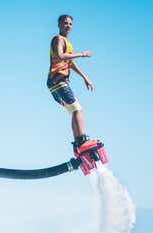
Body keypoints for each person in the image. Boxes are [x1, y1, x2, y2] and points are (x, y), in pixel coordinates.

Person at [47, 14, 94, 153]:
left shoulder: (68, 44)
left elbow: (69, 62)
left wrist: (84, 77)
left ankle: (78, 145)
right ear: (59, 25)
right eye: (65, 23)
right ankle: (82, 141)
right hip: (58, 80)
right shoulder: (58, 39)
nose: (68, 26)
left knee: (74, 111)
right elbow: (61, 56)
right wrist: (82, 54)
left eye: (70, 24)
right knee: (77, 110)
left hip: (56, 82)